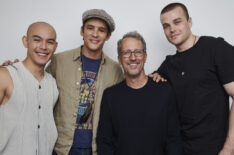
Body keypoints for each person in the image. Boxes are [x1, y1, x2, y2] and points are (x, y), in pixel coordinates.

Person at [150, 2, 234, 155]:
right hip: (182, 149)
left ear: (189, 22)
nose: (172, 29)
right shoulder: (168, 65)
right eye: (166, 26)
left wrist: (229, 148)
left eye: (177, 22)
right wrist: (154, 77)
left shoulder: (215, 48)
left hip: (217, 149)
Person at [46, 9, 124, 155]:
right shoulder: (59, 61)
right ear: (82, 31)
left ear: (108, 36)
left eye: (101, 30)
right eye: (90, 28)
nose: (95, 34)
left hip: (96, 149)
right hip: (62, 148)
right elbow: (37, 88)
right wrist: (17, 68)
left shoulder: (115, 70)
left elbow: (123, 108)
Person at [97, 31, 182, 155]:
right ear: (119, 59)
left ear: (145, 57)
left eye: (137, 52)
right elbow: (104, 142)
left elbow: (174, 139)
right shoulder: (110, 96)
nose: (133, 57)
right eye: (126, 53)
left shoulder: (165, 91)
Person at [0, 22, 58, 155]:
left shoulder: (53, 84)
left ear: (55, 47)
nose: (43, 47)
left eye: (49, 42)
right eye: (37, 40)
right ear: (25, 41)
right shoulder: (6, 75)